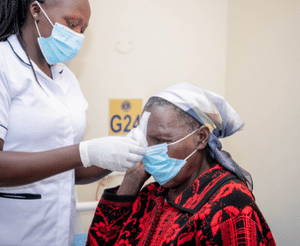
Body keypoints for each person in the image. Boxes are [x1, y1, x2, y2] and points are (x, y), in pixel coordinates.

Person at [0, 0, 145, 246]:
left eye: (84, 28)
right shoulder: (4, 65)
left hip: (57, 233)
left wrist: (117, 154)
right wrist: (84, 151)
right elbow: (74, 155)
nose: (78, 36)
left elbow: (69, 168)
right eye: (72, 23)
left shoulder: (65, 77)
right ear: (35, 11)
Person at [86, 82, 276, 246]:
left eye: (161, 141)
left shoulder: (230, 206)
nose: (148, 151)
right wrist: (128, 187)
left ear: (201, 138)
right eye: (145, 142)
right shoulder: (152, 194)